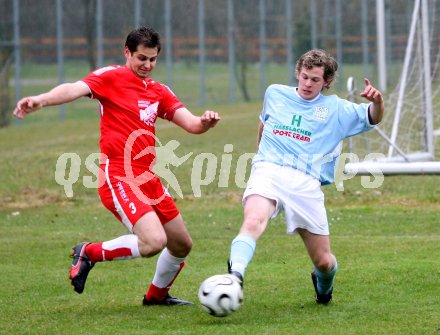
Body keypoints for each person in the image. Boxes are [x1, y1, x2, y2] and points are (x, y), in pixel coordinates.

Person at [13, 26, 220, 306]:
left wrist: (206, 122)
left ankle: (156, 296)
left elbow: (193, 124)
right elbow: (74, 88)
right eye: (141, 58)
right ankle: (89, 252)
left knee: (182, 243)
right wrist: (41, 100)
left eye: (153, 60)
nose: (147, 65)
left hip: (149, 178)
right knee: (153, 242)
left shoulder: (159, 91)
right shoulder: (110, 77)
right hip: (119, 175)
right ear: (127, 52)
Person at [225, 49, 384, 304]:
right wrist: (260, 160)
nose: (308, 83)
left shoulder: (336, 109)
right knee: (254, 220)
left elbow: (372, 117)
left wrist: (377, 102)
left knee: (323, 261)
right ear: (298, 73)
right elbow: (264, 124)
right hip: (269, 170)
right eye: (305, 76)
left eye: (315, 80)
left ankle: (324, 286)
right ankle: (234, 277)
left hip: (306, 182)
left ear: (327, 82)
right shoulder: (275, 93)